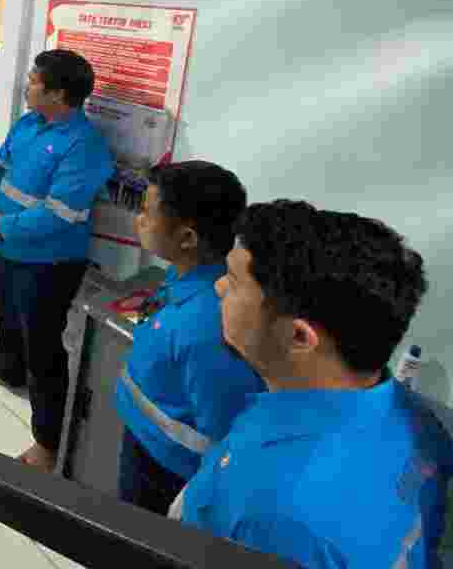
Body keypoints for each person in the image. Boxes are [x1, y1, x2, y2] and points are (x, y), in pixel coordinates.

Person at [175, 201, 453, 567]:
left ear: (299, 337)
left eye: (235, 281)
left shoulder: (280, 521)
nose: (218, 286)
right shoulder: (414, 418)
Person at [0, 49, 114, 470]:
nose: (25, 86)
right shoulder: (28, 123)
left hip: (48, 264)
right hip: (5, 248)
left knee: (43, 348)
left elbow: (59, 213)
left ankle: (48, 442)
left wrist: (2, 225)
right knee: (6, 316)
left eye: (33, 81)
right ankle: (6, 370)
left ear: (58, 94)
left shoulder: (84, 147)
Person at [113, 161, 264, 514]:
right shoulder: (181, 276)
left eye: (148, 213)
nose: (139, 220)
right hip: (145, 441)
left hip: (167, 470)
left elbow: (225, 432)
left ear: (187, 238)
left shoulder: (209, 327)